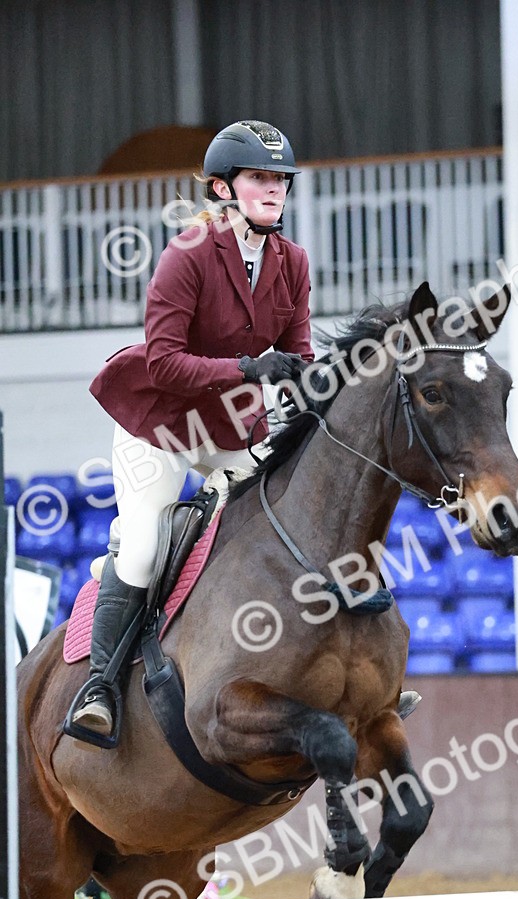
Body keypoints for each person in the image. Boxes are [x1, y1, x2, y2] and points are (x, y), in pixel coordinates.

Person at [68, 119, 314, 742]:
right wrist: (247, 369)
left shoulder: (292, 263)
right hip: (162, 424)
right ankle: (100, 688)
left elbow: (300, 359)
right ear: (224, 189)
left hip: (231, 428)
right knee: (144, 548)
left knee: (285, 520)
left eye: (281, 179)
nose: (275, 189)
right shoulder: (188, 254)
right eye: (260, 178)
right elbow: (163, 363)